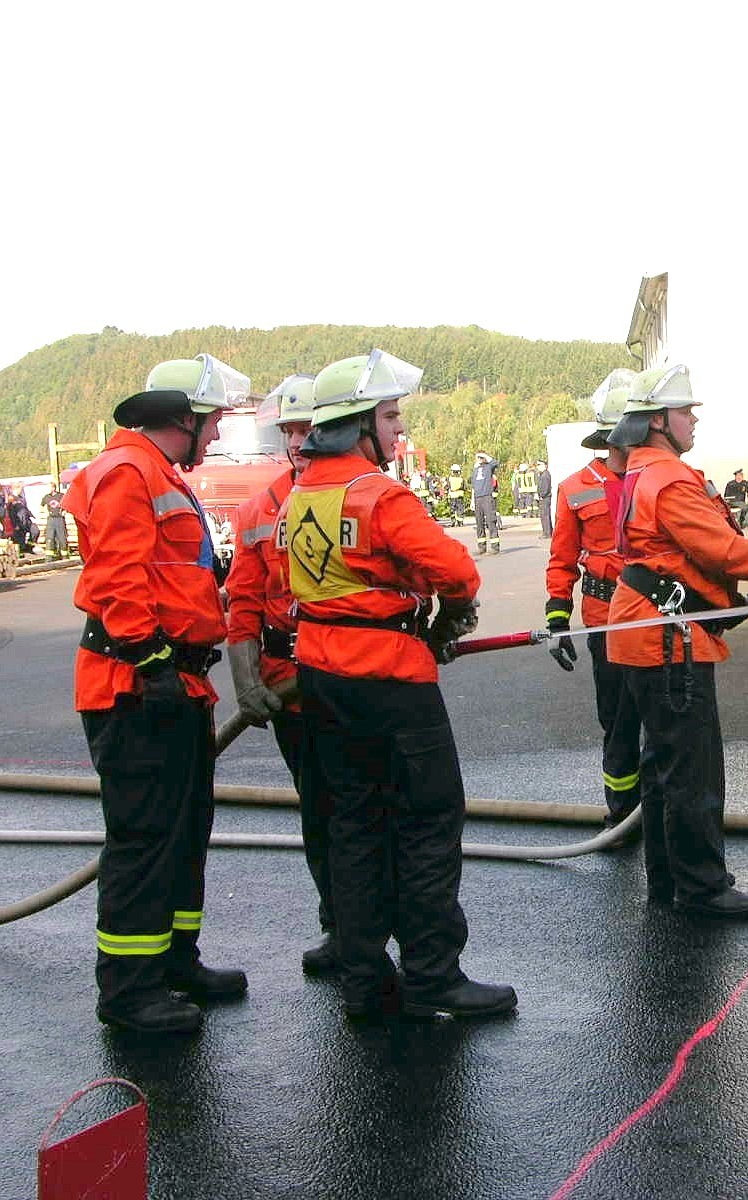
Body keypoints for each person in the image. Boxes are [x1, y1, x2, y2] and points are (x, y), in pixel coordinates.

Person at [280, 348, 516, 1023]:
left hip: (321, 676)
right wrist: (442, 621)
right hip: (390, 678)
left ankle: (363, 980)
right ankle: (433, 977)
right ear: (359, 426)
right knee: (426, 823)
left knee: (352, 826)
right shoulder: (379, 495)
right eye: (390, 418)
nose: (398, 432)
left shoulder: (300, 497)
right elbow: (456, 571)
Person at [63, 353, 249, 1034]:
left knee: (182, 832)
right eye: (215, 423)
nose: (219, 437)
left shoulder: (155, 472)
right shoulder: (127, 473)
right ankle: (129, 991)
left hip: (171, 684)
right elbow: (118, 578)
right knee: (144, 841)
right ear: (183, 419)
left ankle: (175, 962)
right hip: (136, 687)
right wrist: (153, 660)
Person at [606, 363, 748, 919]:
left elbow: (676, 560)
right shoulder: (670, 479)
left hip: (646, 633)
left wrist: (731, 602)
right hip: (668, 645)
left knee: (662, 770)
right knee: (692, 773)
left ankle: (668, 882)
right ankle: (702, 888)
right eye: (686, 412)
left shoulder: (639, 472)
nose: (695, 419)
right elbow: (722, 550)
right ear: (658, 422)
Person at [225, 375, 339, 977]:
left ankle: (377, 927)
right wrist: (246, 683)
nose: (298, 441)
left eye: (308, 428)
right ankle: (339, 926)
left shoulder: (360, 494)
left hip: (349, 679)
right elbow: (241, 603)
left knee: (370, 805)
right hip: (288, 689)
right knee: (319, 810)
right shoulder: (256, 512)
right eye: (290, 430)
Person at [544, 374, 641, 830]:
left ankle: (662, 814)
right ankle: (623, 814)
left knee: (666, 723)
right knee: (618, 723)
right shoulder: (575, 487)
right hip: (605, 621)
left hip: (658, 616)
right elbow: (562, 559)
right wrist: (557, 618)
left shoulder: (653, 478)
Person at [471, 451, 501, 555]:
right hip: (477, 498)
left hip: (487, 497)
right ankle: (481, 547)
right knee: (479, 523)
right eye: (477, 457)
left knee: (490, 521)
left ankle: (495, 547)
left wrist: (485, 456)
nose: (478, 459)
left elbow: (496, 463)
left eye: (480, 457)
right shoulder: (475, 470)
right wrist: (472, 500)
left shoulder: (489, 467)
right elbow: (473, 487)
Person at [42, 484, 70, 557]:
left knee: (62, 537)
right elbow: (42, 506)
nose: (50, 489)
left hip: (59, 518)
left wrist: (65, 511)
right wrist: (45, 512)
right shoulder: (46, 497)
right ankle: (50, 556)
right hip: (51, 519)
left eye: (51, 487)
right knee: (50, 537)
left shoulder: (61, 496)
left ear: (54, 488)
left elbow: (68, 504)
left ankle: (64, 555)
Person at [535, 460, 553, 539]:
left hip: (545, 498)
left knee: (545, 516)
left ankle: (547, 533)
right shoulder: (543, 474)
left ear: (544, 466)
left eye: (539, 465)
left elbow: (545, 488)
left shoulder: (545, 475)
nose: (538, 467)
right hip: (543, 498)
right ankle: (546, 532)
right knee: (544, 515)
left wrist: (541, 496)